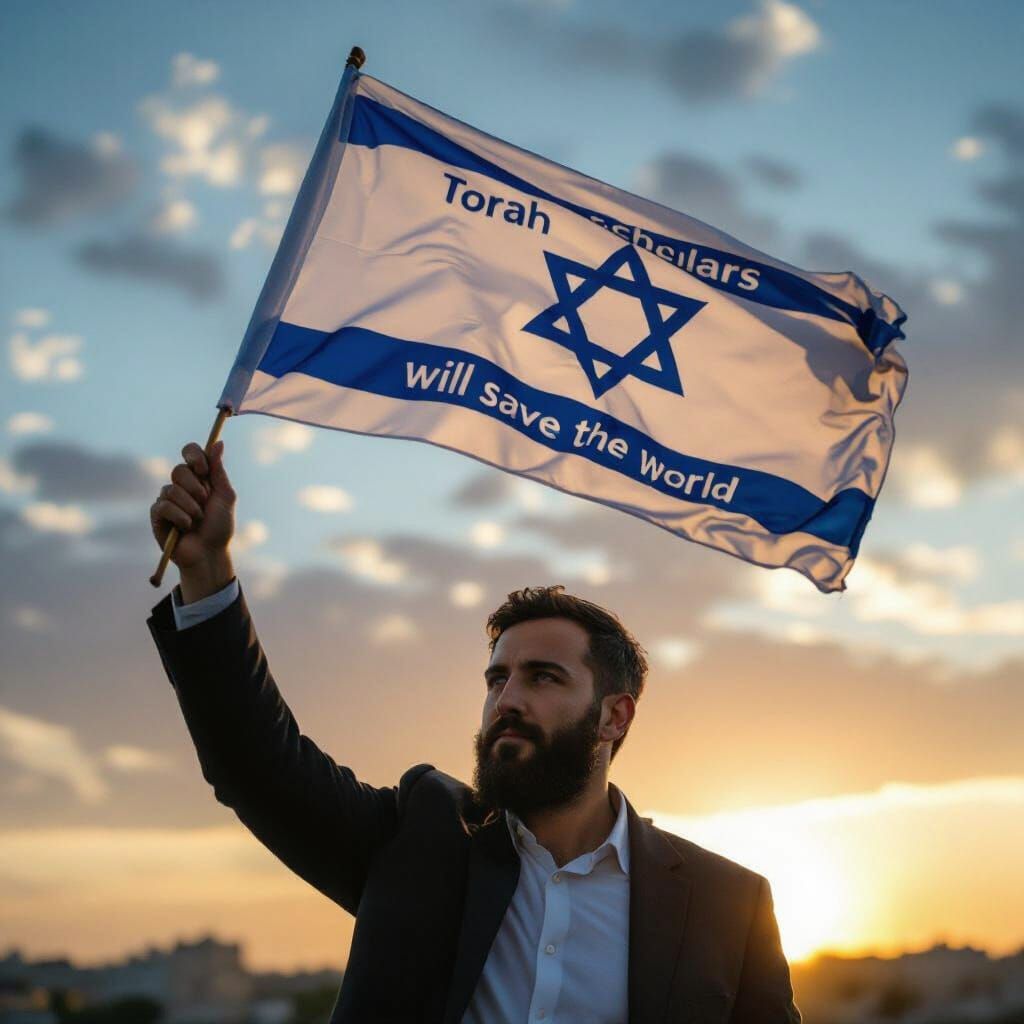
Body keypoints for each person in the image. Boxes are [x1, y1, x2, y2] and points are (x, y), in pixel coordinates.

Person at [148, 440, 802, 1024]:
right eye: (497, 679)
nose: (506, 700)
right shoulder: (421, 839)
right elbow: (256, 765)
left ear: (614, 716)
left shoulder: (728, 904)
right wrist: (206, 570)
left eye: (543, 678)